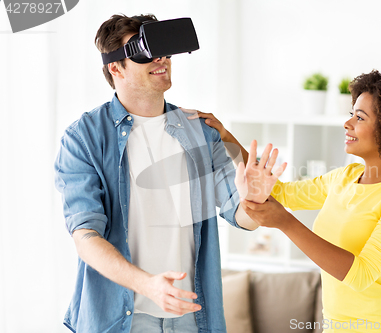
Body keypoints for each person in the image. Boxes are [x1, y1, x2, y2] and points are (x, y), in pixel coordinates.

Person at [54, 14, 283, 333]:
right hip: (119, 320)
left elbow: (239, 214)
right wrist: (148, 286)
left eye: (163, 49)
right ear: (115, 67)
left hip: (191, 317)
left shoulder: (200, 132)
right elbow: (85, 237)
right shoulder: (85, 138)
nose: (160, 58)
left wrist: (254, 199)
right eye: (144, 51)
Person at [196, 70, 381, 332]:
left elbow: (361, 275)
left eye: (359, 117)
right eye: (351, 114)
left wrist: (286, 222)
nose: (347, 124)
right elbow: (279, 192)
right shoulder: (345, 177)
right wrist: (225, 137)